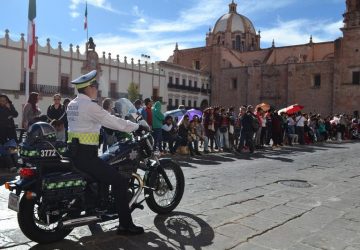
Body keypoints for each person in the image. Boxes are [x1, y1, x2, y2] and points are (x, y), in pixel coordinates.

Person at [66, 70, 145, 235]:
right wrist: (137, 126)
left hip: (74, 154)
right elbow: (112, 121)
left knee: (102, 174)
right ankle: (125, 225)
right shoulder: (90, 106)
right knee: (119, 182)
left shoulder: (72, 104)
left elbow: (88, 125)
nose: (97, 88)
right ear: (88, 88)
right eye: (94, 86)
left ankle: (93, 208)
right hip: (87, 156)